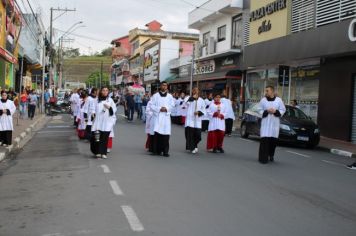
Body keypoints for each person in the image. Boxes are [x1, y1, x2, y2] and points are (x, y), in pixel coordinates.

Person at [258, 86, 286, 164]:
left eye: (267, 91)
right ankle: (263, 158)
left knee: (273, 141)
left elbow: (283, 109)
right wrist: (266, 111)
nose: (266, 92)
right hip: (266, 123)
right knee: (264, 140)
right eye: (265, 91)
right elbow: (259, 109)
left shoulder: (279, 100)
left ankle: (271, 155)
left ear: (272, 91)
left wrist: (275, 111)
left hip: (274, 123)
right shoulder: (263, 100)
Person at [91, 87, 117, 159]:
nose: (105, 92)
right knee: (97, 137)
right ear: (101, 91)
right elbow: (93, 109)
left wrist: (109, 108)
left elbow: (114, 110)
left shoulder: (110, 100)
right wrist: (93, 113)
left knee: (105, 137)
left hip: (107, 122)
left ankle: (103, 152)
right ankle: (98, 152)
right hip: (98, 121)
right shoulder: (96, 100)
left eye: (106, 90)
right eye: (103, 90)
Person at [150, 81, 175, 157]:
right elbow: (151, 105)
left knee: (166, 135)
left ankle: (165, 151)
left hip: (166, 118)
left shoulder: (170, 96)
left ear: (167, 87)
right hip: (158, 117)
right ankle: (155, 151)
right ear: (160, 86)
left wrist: (166, 108)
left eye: (166, 85)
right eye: (163, 85)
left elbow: (172, 105)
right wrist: (159, 109)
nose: (164, 87)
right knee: (156, 134)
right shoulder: (155, 96)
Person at [184, 88, 206, 154]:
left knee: (198, 135)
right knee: (190, 135)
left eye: (197, 90)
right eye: (194, 90)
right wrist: (193, 98)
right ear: (192, 91)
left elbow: (204, 110)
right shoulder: (188, 98)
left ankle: (195, 145)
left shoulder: (201, 100)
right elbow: (185, 104)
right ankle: (192, 147)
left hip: (197, 120)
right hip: (190, 119)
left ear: (199, 91)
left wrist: (199, 112)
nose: (195, 91)